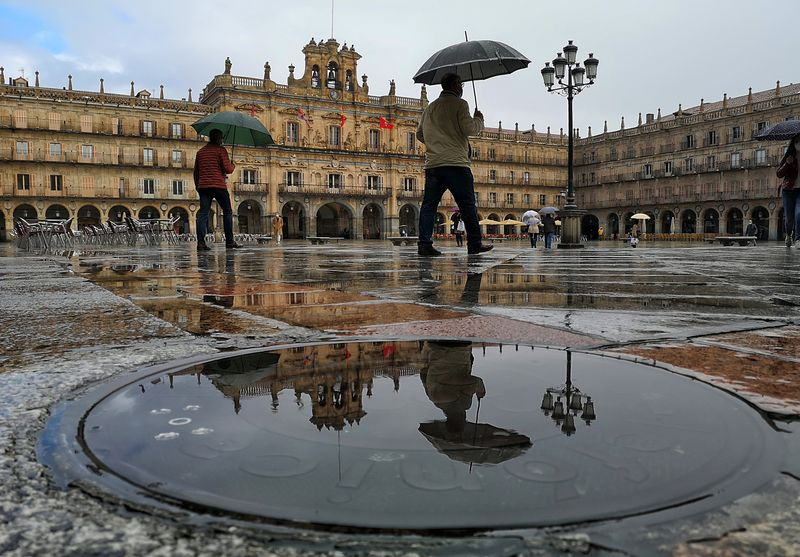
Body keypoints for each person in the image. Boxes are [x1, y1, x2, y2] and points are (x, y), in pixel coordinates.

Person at [416, 73, 493, 256]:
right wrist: (479, 119)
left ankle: (424, 244)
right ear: (455, 85)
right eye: (461, 85)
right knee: (467, 205)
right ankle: (474, 244)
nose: (461, 88)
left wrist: (436, 141)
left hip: (434, 165)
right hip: (456, 164)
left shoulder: (430, 108)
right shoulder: (460, 104)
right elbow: (470, 129)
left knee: (429, 206)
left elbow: (419, 134)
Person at [194, 128, 241, 251]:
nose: (222, 140)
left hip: (204, 186)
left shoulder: (200, 152)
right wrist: (233, 165)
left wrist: (198, 186)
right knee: (227, 212)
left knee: (203, 214)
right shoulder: (221, 150)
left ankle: (201, 243)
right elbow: (228, 169)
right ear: (219, 138)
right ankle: (229, 241)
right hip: (218, 186)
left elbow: (196, 172)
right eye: (221, 138)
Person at [776, 134, 800, 247]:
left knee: (799, 213)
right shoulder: (789, 156)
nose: (799, 143)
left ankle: (798, 239)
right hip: (789, 190)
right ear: (793, 143)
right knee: (789, 219)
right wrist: (787, 163)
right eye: (797, 141)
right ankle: (788, 235)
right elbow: (779, 174)